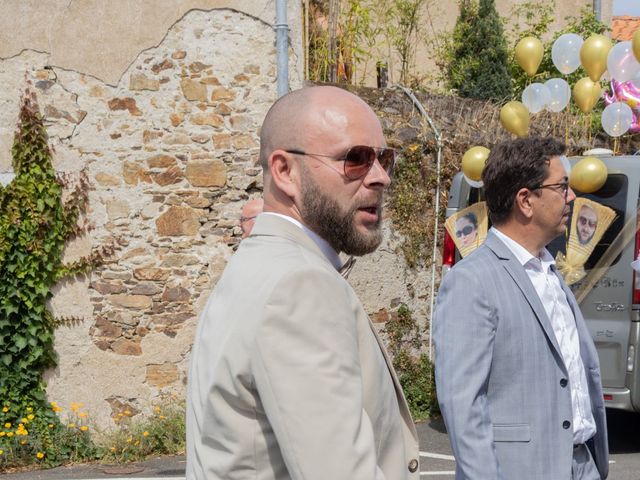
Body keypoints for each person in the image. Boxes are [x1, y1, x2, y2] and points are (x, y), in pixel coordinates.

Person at [186, 86, 420, 480]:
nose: (381, 178)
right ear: (284, 171)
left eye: (384, 159)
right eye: (356, 159)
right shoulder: (300, 284)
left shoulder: (261, 262)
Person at [434, 137, 608, 480]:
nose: (572, 197)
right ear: (525, 201)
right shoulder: (472, 281)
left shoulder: (549, 270)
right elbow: (463, 404)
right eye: (562, 186)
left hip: (581, 464)